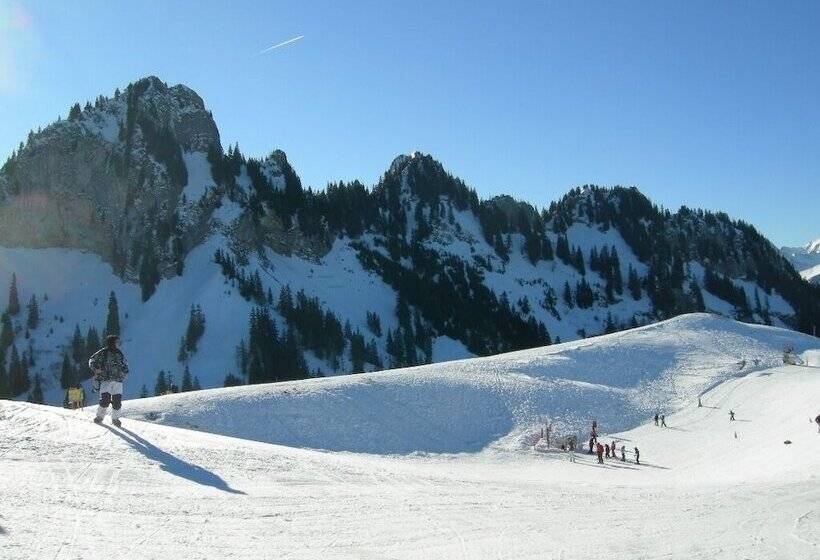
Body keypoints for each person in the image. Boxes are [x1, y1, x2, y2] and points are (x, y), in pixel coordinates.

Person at [88, 335, 129, 427]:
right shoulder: (103, 352)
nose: (119, 344)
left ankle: (115, 419)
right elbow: (92, 360)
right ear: (112, 342)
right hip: (106, 380)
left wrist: (125, 372)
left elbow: (125, 364)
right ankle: (99, 417)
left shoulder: (119, 353)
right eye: (117, 342)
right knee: (105, 400)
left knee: (117, 402)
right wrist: (96, 369)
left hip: (118, 381)